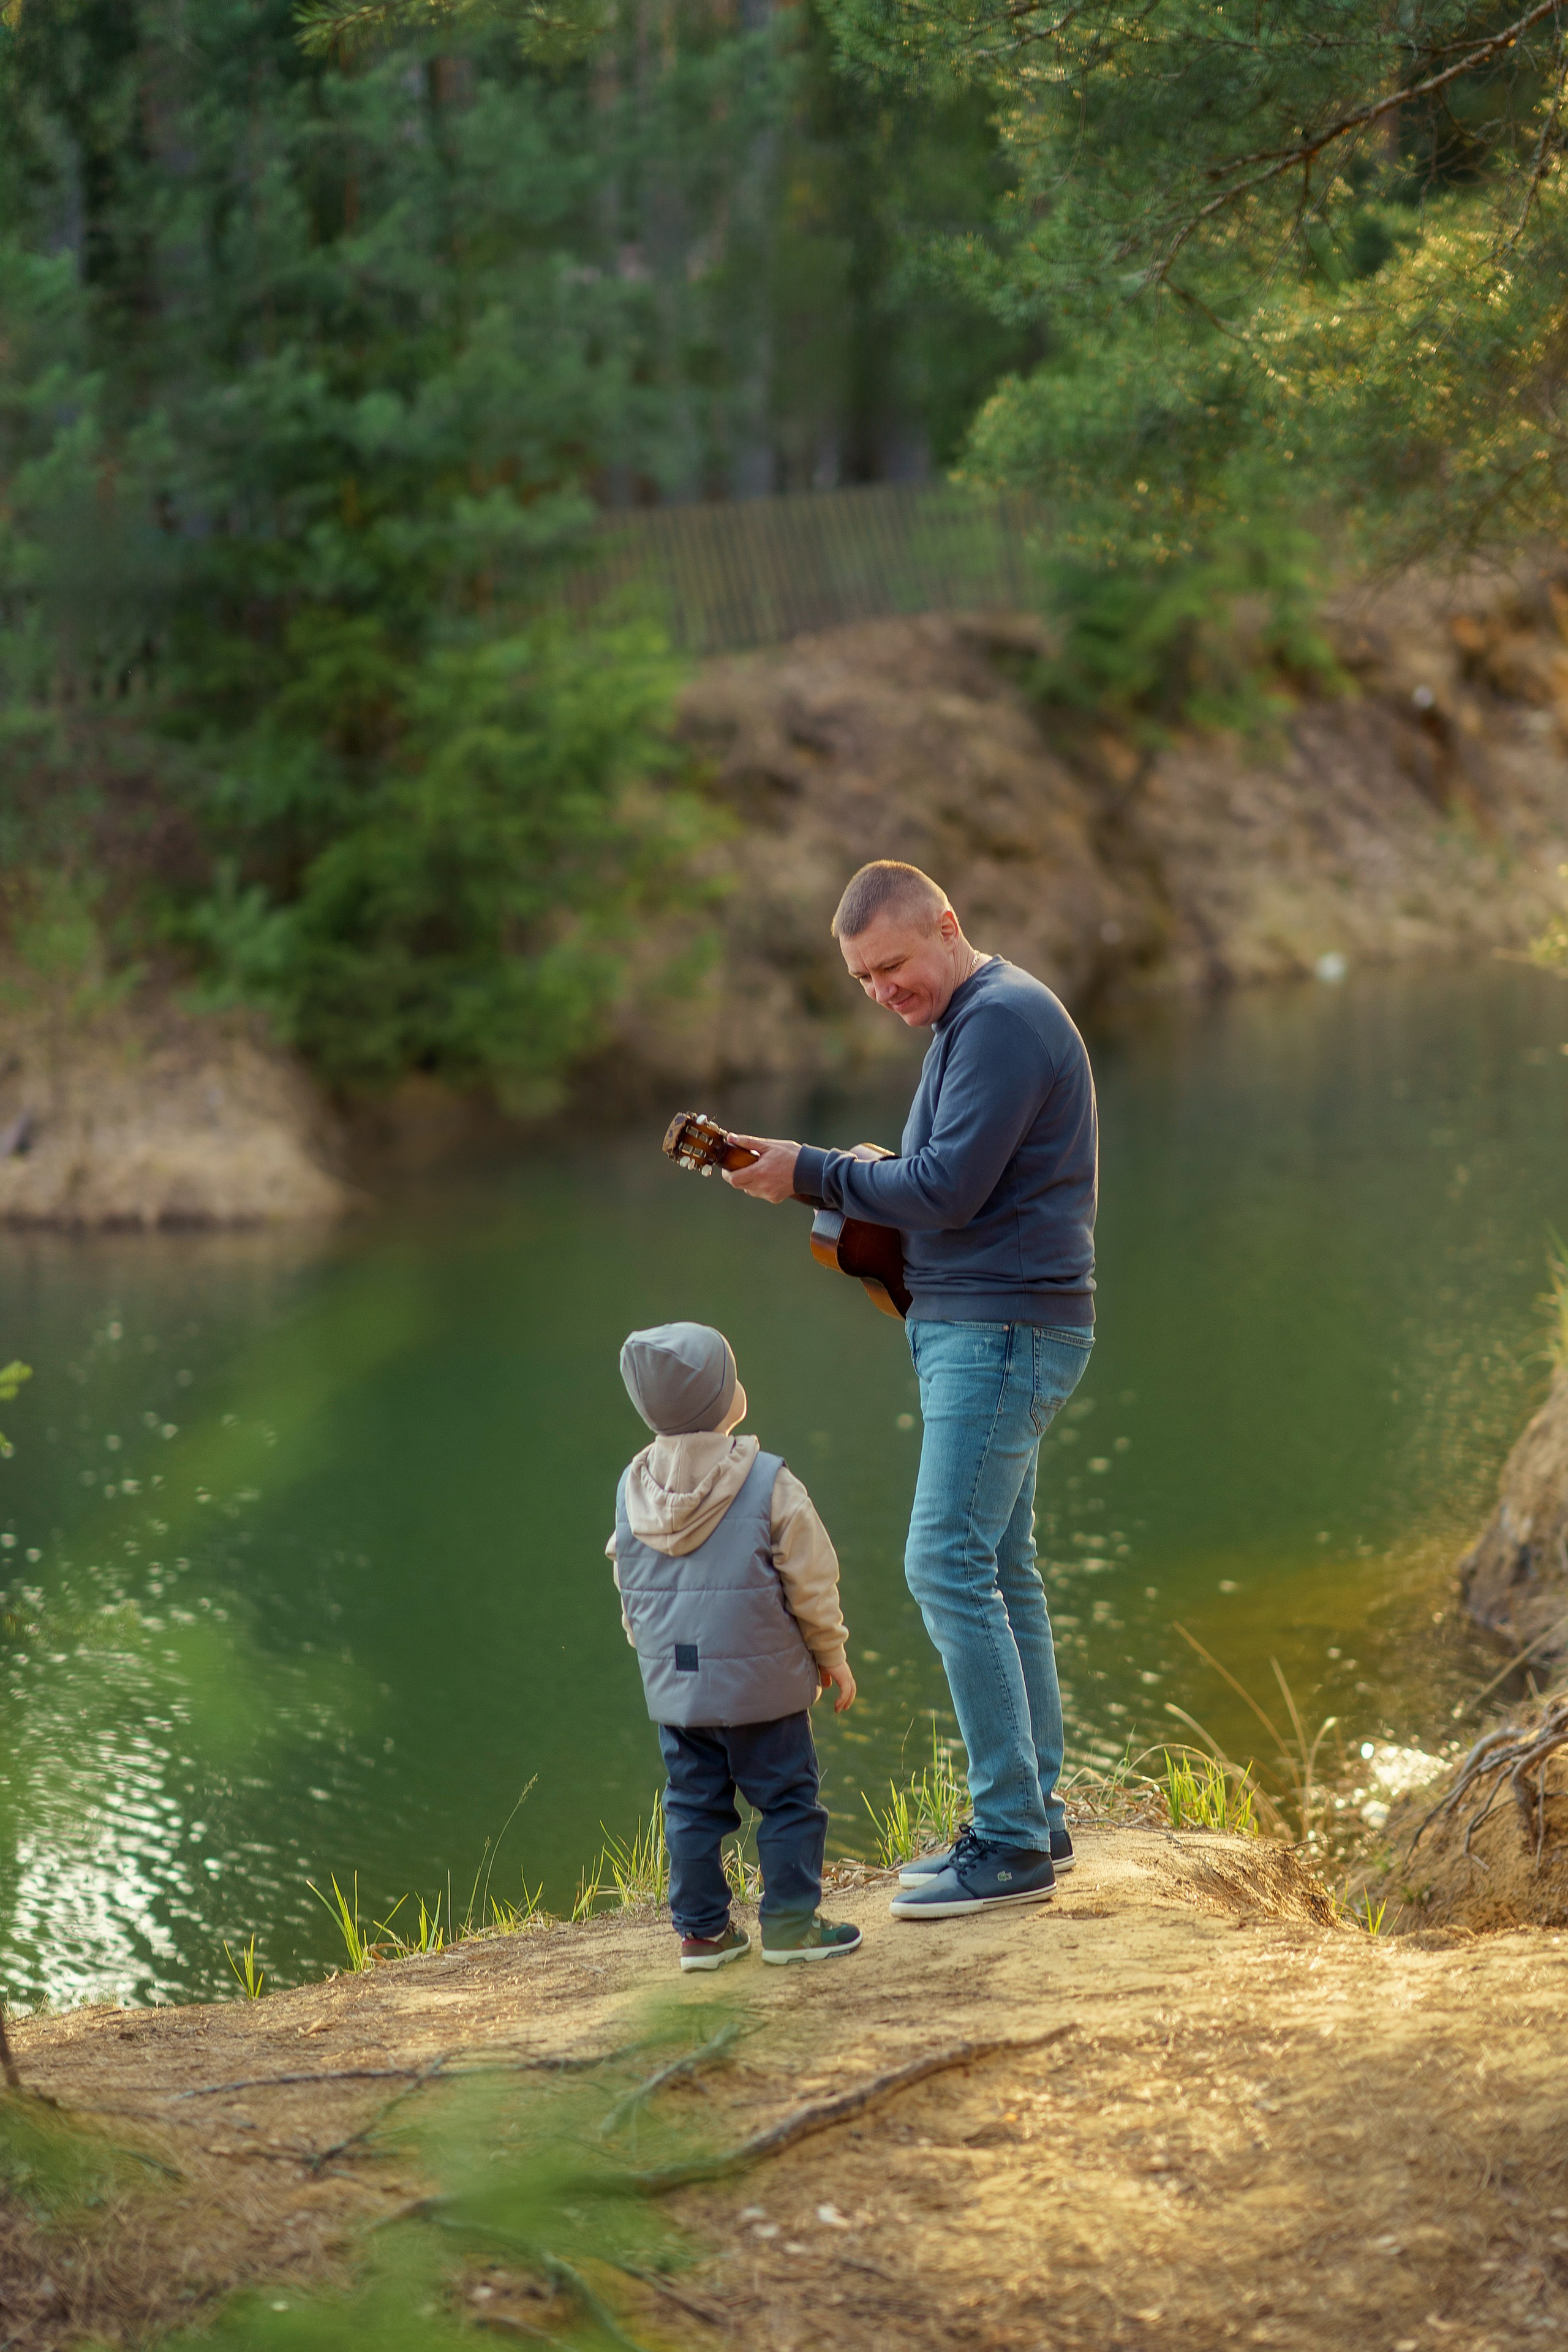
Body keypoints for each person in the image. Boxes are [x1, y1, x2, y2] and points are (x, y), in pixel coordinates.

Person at [721, 861, 1097, 1922]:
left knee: (944, 1559)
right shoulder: (971, 1026)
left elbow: (945, 1188)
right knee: (999, 1567)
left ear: (947, 925)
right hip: (984, 1328)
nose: (883, 991)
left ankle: (1012, 1842)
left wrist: (814, 1171)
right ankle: (1037, 1813)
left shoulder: (1003, 1021)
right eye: (862, 980)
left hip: (1004, 1331)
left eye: (892, 965)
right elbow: (943, 1187)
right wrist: (835, 1180)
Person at [609, 1319, 863, 1969]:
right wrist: (830, 1655)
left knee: (691, 1807)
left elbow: (631, 1589)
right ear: (728, 1399)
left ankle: (701, 1934)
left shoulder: (632, 1491)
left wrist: (652, 1654)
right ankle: (788, 1926)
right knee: (786, 1802)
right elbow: (811, 1579)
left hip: (680, 1696)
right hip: (765, 1693)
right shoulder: (768, 1482)